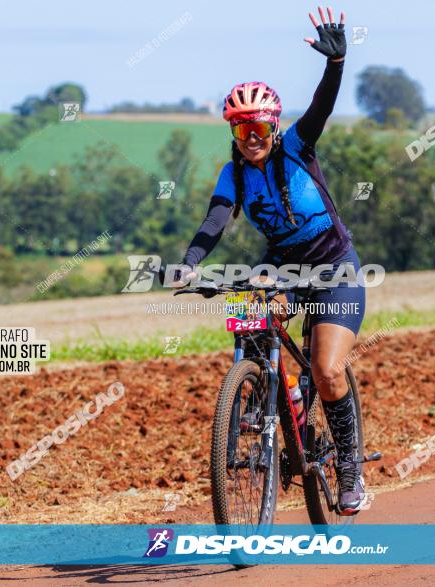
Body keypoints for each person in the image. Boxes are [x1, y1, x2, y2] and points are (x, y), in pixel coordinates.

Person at [176, 6, 366, 515]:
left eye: (258, 128)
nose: (253, 139)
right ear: (233, 136)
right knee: (250, 318)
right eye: (242, 132)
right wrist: (190, 263)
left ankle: (349, 465)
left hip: (334, 269)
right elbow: (214, 222)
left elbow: (322, 107)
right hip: (281, 267)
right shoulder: (233, 175)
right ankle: (263, 405)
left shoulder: (297, 148)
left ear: (273, 126)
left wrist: (336, 63)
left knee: (327, 370)